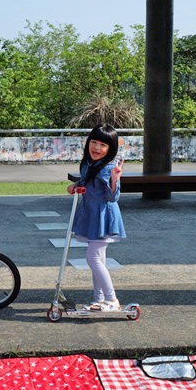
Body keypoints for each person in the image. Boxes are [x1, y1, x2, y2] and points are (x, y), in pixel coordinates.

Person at [66, 124, 126, 311]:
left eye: (103, 145)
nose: (97, 148)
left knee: (92, 258)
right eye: (94, 142)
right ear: (88, 142)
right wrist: (76, 184)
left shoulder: (109, 168)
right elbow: (86, 181)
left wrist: (115, 179)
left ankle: (111, 299)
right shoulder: (88, 163)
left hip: (103, 217)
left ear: (110, 149)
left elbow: (112, 197)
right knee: (98, 259)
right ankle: (98, 299)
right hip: (91, 215)